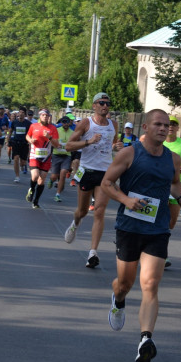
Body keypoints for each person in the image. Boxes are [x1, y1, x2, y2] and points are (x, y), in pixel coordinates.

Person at [101, 109, 181, 362]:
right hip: (129, 226)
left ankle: (145, 339)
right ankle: (118, 300)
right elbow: (107, 183)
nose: (163, 129)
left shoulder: (172, 158)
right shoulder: (129, 153)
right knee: (125, 284)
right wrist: (126, 200)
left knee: (150, 284)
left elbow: (174, 183)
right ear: (145, 126)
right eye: (158, 124)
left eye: (167, 126)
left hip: (158, 227)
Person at [63, 93, 121, 269]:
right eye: (101, 103)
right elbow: (68, 146)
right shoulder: (86, 123)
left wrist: (117, 147)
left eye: (107, 103)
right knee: (82, 211)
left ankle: (92, 253)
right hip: (87, 171)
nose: (105, 106)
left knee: (99, 211)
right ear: (94, 105)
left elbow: (114, 145)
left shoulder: (114, 124)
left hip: (105, 173)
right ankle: (76, 223)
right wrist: (88, 141)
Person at [26, 109, 59, 208]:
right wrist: (30, 140)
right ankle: (31, 190)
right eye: (43, 115)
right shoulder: (34, 126)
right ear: (40, 116)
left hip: (46, 157)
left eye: (47, 115)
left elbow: (56, 144)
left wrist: (49, 137)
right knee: (35, 176)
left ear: (49, 117)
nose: (45, 117)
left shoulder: (53, 128)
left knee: (41, 180)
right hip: (34, 155)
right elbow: (27, 135)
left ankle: (36, 201)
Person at [8, 109, 31, 184]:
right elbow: (10, 131)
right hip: (16, 142)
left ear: (25, 114)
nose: (21, 114)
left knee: (23, 162)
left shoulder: (28, 123)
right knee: (16, 158)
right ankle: (17, 176)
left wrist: (30, 142)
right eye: (20, 112)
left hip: (24, 144)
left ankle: (22, 165)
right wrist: (8, 139)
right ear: (18, 114)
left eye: (23, 113)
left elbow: (31, 133)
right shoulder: (14, 122)